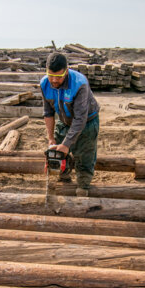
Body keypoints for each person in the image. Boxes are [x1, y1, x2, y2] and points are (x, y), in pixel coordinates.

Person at [41, 52, 100, 197]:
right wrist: (50, 138)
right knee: (59, 152)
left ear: (66, 71)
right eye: (51, 75)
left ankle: (83, 186)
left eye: (59, 77)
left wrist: (67, 145)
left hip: (87, 122)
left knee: (84, 155)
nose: (54, 80)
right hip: (64, 120)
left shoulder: (80, 84)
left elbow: (80, 119)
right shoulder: (44, 84)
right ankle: (64, 178)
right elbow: (48, 112)